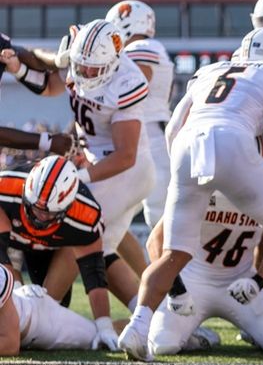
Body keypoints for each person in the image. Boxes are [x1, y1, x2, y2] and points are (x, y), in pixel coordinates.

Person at [118, 28, 263, 362]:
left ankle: (136, 325)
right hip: (233, 143)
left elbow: (175, 127)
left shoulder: (211, 71)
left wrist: (185, 174)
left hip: (190, 148)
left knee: (172, 254)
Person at [0, 21, 152, 316]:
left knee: (78, 230)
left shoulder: (126, 81)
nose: (83, 73)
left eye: (91, 69)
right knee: (102, 248)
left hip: (123, 171)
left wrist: (78, 178)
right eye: (79, 65)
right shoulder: (83, 61)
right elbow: (49, 86)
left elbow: (126, 156)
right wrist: (20, 69)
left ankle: (39, 312)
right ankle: (150, 316)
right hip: (97, 165)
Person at [144, 191, 263, 357]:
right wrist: (177, 288)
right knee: (162, 344)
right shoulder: (199, 185)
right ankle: (196, 337)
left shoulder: (261, 186)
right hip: (193, 283)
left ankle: (255, 332)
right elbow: (156, 240)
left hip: (240, 284)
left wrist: (256, 282)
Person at [0, 156, 118, 350]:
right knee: (21, 313)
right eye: (37, 208)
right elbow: (0, 253)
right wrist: (17, 289)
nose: (40, 217)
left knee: (53, 312)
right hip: (12, 238)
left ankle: (120, 325)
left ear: (68, 206)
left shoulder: (85, 214)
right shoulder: (6, 187)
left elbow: (93, 273)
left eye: (49, 213)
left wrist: (104, 324)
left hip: (56, 248)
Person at [106, 0, 174, 230]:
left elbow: (131, 77)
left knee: (159, 219)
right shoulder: (148, 49)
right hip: (144, 136)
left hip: (151, 138)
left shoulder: (145, 48)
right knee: (109, 216)